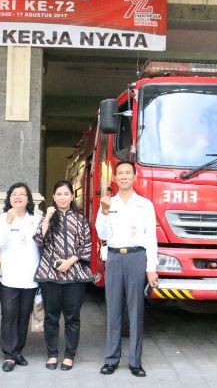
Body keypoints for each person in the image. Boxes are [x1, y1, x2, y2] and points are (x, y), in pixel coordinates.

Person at [96, 160, 158, 378]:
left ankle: (135, 361)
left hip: (136, 258)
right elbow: (102, 235)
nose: (123, 176)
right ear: (114, 178)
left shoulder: (145, 204)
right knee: (113, 310)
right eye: (119, 173)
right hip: (113, 258)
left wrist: (151, 268)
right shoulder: (107, 203)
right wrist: (104, 212)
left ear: (135, 177)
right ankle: (111, 359)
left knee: (136, 311)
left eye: (127, 173)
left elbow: (151, 237)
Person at [33, 180, 93, 371]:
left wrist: (70, 261)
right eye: (59, 194)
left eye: (66, 194)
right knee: (51, 317)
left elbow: (87, 245)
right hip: (50, 274)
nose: (62, 197)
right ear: (53, 197)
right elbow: (39, 240)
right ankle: (52, 354)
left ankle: (69, 355)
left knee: (72, 317)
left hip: (75, 274)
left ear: (72, 196)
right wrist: (47, 219)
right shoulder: (47, 217)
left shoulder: (80, 219)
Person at [0, 182, 41, 372]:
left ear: (28, 199)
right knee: (9, 315)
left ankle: (17, 350)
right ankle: (9, 354)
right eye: (14, 194)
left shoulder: (36, 219)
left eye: (22, 194)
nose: (18, 197)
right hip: (8, 277)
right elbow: (0, 242)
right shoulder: (1, 218)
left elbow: (42, 244)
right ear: (9, 198)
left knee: (23, 316)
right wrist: (8, 221)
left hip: (30, 276)